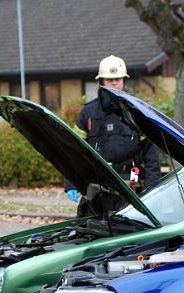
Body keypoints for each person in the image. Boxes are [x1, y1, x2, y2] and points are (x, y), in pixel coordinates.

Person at [66, 55, 161, 216]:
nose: (114, 82)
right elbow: (73, 151)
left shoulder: (137, 112)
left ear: (124, 80)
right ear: (101, 81)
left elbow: (151, 156)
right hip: (97, 189)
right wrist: (70, 184)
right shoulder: (88, 112)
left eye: (118, 78)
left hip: (131, 189)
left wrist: (152, 190)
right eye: (110, 79)